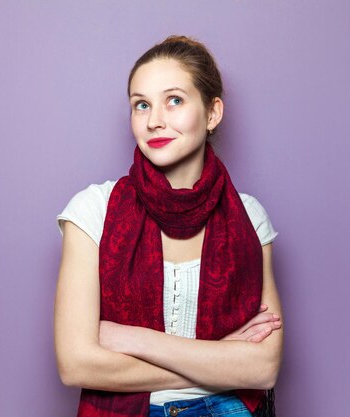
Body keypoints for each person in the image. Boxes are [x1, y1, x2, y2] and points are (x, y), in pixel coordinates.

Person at [54, 35, 283, 417]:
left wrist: (130, 338)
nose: (154, 120)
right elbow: (75, 363)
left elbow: (262, 368)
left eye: (174, 100)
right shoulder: (92, 210)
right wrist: (221, 360)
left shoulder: (249, 217)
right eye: (141, 105)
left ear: (212, 113)